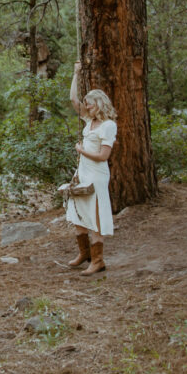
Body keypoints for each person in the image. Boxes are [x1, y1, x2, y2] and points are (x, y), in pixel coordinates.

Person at [66, 62, 117, 275]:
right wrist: (76, 73)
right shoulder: (89, 121)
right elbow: (72, 100)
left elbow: (103, 156)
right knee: (78, 214)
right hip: (83, 174)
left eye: (91, 104)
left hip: (96, 175)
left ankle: (98, 261)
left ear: (100, 103)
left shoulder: (108, 125)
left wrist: (81, 150)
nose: (87, 107)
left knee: (95, 217)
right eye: (87, 104)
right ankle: (84, 254)